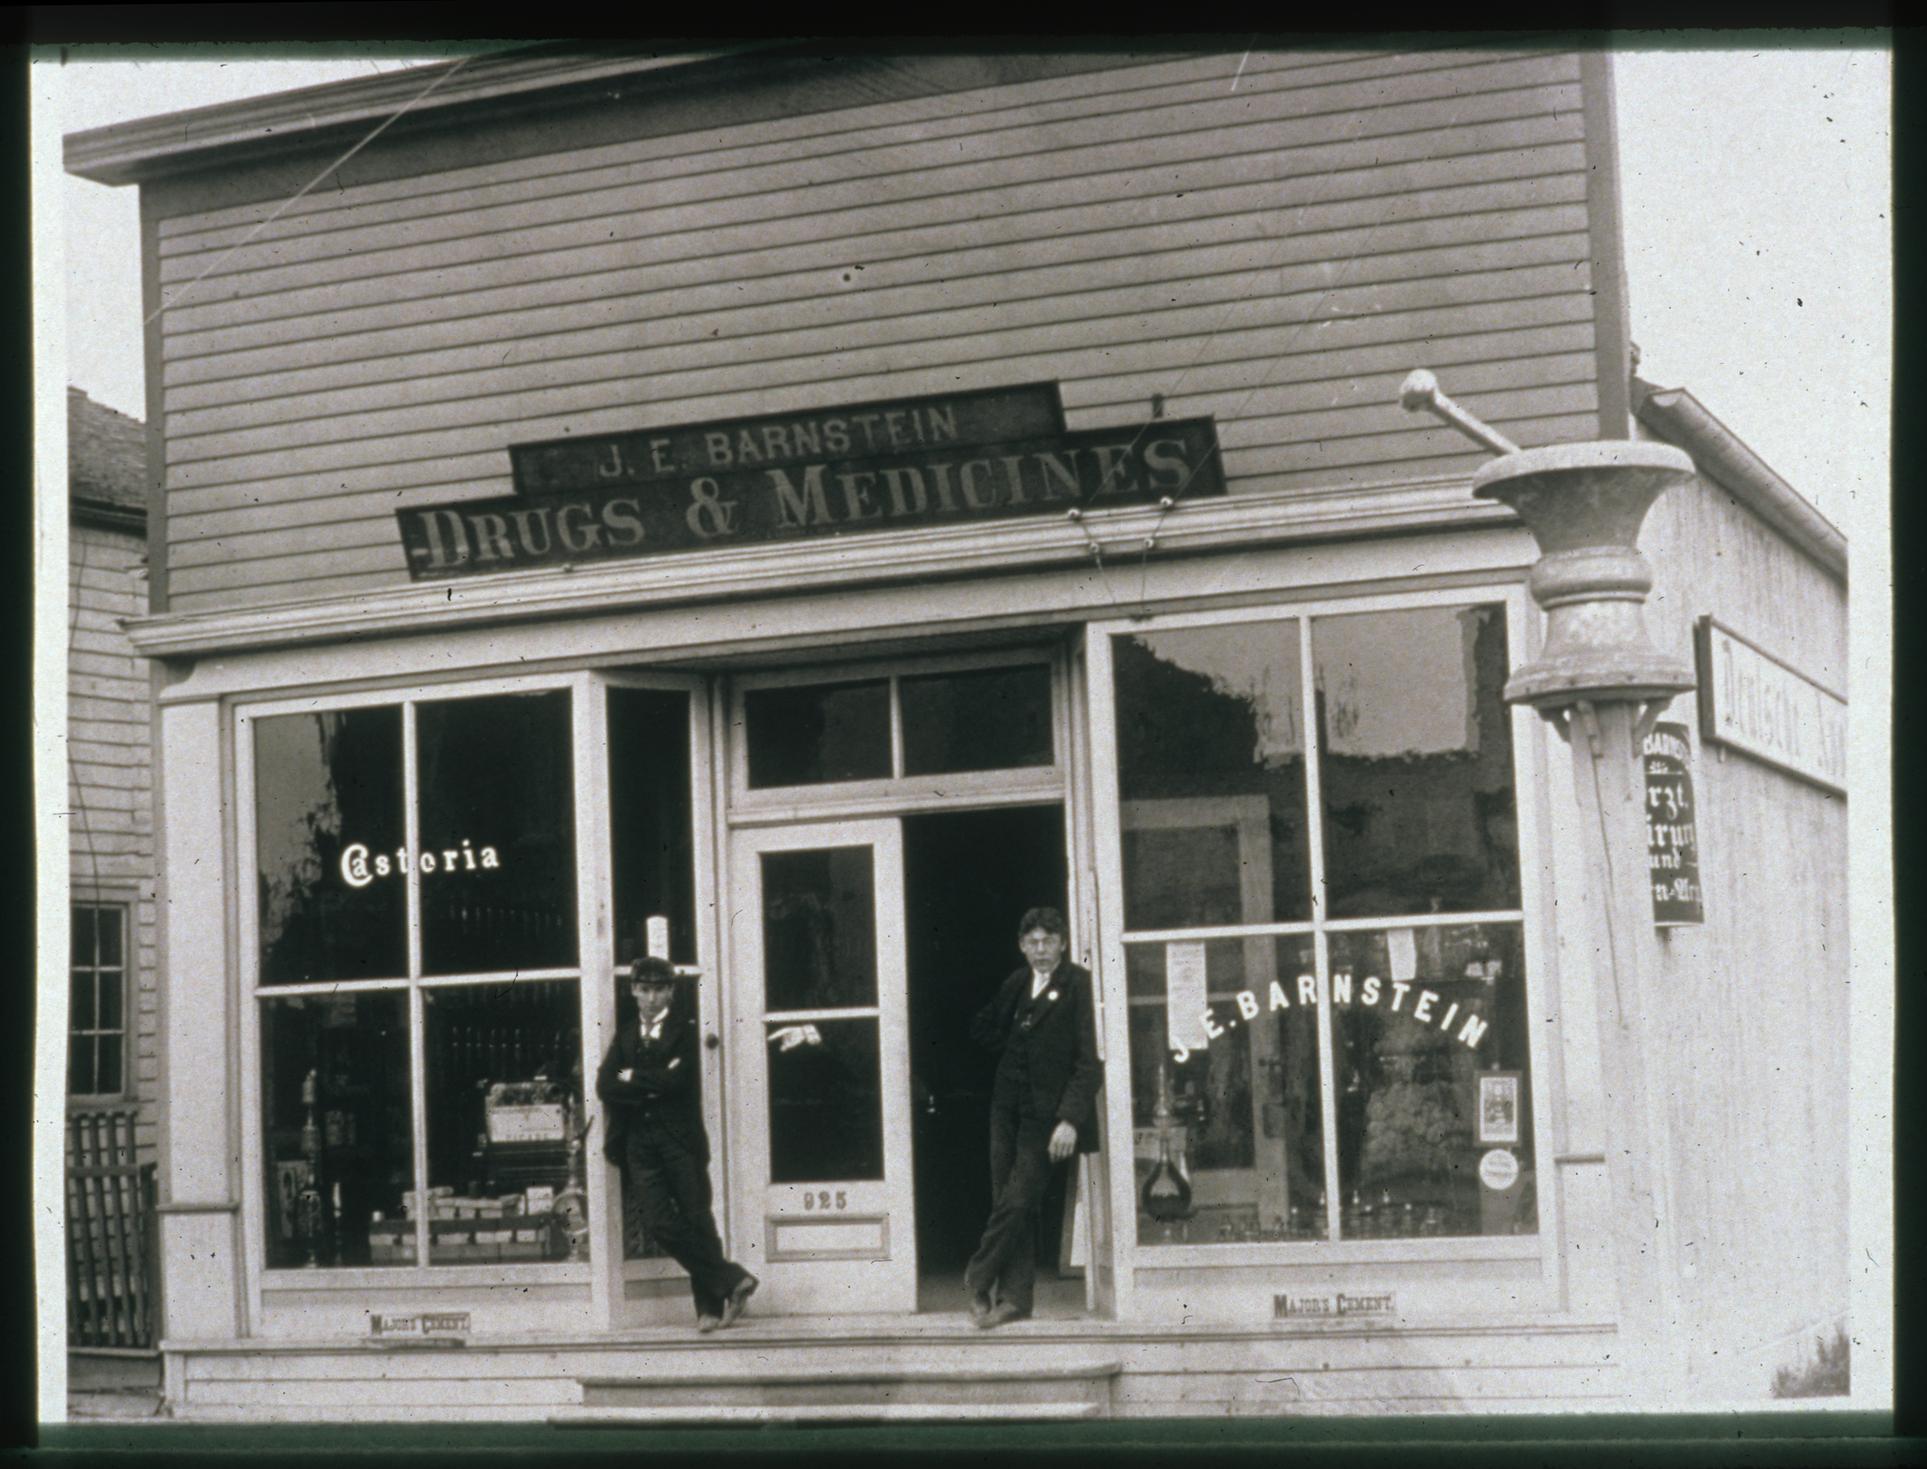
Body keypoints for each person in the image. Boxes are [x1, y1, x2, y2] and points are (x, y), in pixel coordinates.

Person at [596, 956, 757, 1332]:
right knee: (658, 1222)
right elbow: (606, 1083)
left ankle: (709, 1310)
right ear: (633, 990)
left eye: (659, 989)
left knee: (697, 1218)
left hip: (679, 1139)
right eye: (645, 989)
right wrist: (646, 1078)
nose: (652, 998)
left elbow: (677, 1081)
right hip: (639, 1143)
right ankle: (732, 1280)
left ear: (671, 991)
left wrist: (632, 1078)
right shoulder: (625, 1035)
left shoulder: (684, 1033)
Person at [962, 907, 1102, 1328]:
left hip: (1048, 1117)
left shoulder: (1078, 985)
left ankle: (977, 1274)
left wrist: (1070, 1120)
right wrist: (1012, 1044)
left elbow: (1089, 1062)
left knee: (1020, 1197)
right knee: (1008, 1198)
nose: (1041, 950)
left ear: (1062, 943)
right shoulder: (1018, 982)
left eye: (1048, 941)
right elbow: (983, 1027)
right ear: (1022, 946)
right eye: (1032, 942)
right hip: (1006, 1108)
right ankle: (1014, 1299)